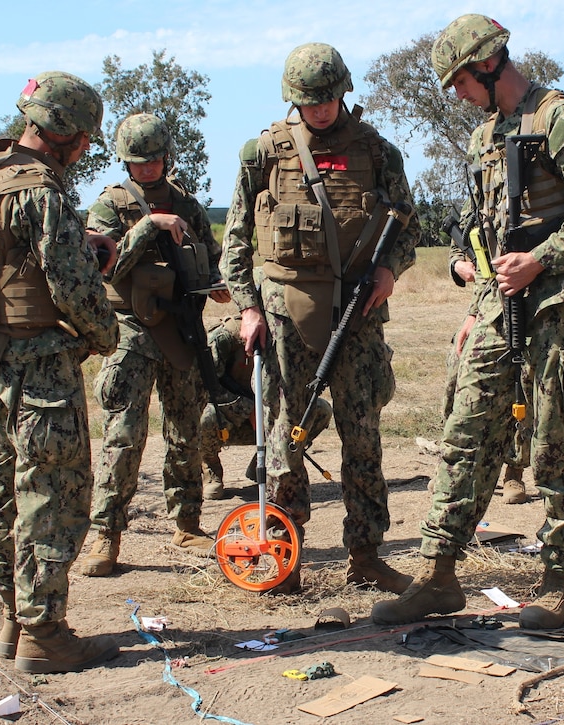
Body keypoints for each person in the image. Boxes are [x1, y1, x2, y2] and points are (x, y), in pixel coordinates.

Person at [372, 14, 564, 629]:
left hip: (563, 305)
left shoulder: (563, 119)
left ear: (488, 65)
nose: (456, 94)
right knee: (466, 428)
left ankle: (559, 579)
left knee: (555, 441)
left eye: (459, 80)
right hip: (498, 301)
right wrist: (473, 280)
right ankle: (437, 573)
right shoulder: (484, 136)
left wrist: (539, 260)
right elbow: (478, 223)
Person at [223, 42, 419, 594]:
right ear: (294, 100)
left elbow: (409, 227)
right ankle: (286, 554)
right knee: (287, 434)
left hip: (357, 313)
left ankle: (366, 554)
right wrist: (248, 305)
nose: (322, 110)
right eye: (311, 102)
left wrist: (390, 271)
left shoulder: (378, 152)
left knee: (363, 433)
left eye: (330, 99)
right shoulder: (263, 154)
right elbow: (236, 239)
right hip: (285, 314)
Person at [0, 71, 120, 673]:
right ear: (65, 133)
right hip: (40, 369)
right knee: (53, 493)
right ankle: (45, 633)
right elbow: (75, 288)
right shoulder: (43, 191)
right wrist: (103, 336)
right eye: (84, 139)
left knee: (5, 488)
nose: (84, 150)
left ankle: (13, 617)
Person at [79, 113, 228, 577]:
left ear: (167, 156)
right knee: (124, 436)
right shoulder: (110, 206)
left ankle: (187, 523)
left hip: (183, 331)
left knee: (186, 430)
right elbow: (102, 265)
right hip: (134, 333)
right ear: (125, 161)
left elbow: (212, 254)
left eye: (155, 160)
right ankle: (107, 535)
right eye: (138, 162)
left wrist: (218, 283)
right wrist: (150, 226)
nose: (148, 169)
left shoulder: (188, 202)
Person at [199, 313, 332, 498]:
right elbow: (206, 387)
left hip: (272, 418)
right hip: (230, 423)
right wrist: (248, 409)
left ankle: (270, 463)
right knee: (206, 416)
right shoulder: (226, 337)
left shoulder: (288, 334)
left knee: (320, 410)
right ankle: (211, 470)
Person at [445, 242, 531, 504]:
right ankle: (456, 469)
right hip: (486, 299)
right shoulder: (476, 203)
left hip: (522, 297)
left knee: (520, 384)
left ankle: (513, 470)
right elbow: (460, 246)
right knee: (456, 376)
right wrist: (457, 265)